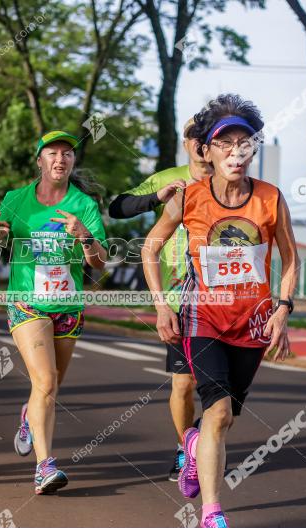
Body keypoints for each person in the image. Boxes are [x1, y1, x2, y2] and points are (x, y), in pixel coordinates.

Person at [142, 94, 299, 528]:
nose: (235, 151)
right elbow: (150, 247)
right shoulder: (189, 197)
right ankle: (212, 511)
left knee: (224, 418)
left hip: (252, 322)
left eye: (243, 142)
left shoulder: (269, 198)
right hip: (202, 316)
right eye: (224, 143)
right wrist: (161, 306)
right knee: (219, 411)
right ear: (206, 151)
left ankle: (193, 447)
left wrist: (282, 309)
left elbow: (290, 258)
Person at [0, 130, 108, 495]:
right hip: (28, 303)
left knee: (48, 388)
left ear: (73, 161)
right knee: (47, 381)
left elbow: (99, 263)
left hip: (68, 305)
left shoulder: (83, 205)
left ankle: (28, 415)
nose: (60, 159)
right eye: (52, 153)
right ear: (39, 160)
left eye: (67, 153)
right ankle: (44, 467)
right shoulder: (15, 199)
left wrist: (85, 236)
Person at [108, 117, 211, 481]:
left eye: (207, 136)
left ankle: (204, 435)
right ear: (186, 142)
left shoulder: (231, 180)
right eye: (193, 136)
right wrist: (156, 197)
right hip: (179, 296)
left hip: (224, 299)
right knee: (184, 384)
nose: (200, 142)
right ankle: (188, 448)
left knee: (227, 392)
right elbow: (116, 207)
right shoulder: (169, 178)